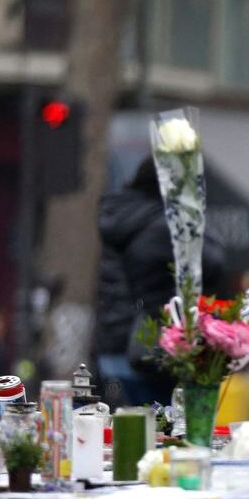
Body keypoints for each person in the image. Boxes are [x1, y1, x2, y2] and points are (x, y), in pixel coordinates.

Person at [95, 157, 226, 405]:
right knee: (157, 432)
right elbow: (214, 260)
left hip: (114, 344)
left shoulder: (125, 213)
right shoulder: (163, 224)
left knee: (126, 428)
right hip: (147, 349)